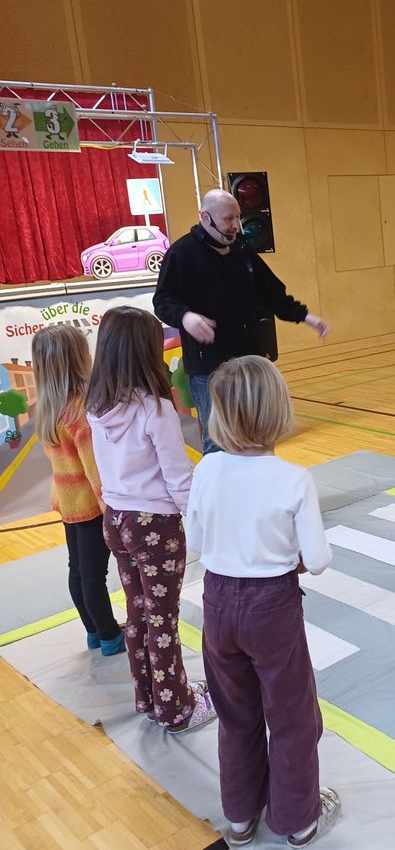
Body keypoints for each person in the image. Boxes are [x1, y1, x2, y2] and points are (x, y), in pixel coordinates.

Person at [185, 356, 339, 848]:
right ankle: (298, 819)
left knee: (235, 713)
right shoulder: (293, 478)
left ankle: (239, 816)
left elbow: (195, 542)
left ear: (219, 414)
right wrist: (288, 555)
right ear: (278, 410)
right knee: (292, 715)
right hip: (272, 607)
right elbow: (317, 560)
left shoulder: (207, 467)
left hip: (217, 601)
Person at [86, 306, 217, 734]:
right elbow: (178, 479)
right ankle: (177, 709)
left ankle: (150, 697)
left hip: (116, 519)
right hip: (154, 526)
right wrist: (203, 520)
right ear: (145, 351)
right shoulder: (155, 410)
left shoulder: (97, 405)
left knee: (140, 612)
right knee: (162, 619)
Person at [153, 188, 329, 454]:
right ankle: (219, 482)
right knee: (217, 440)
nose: (236, 225)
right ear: (205, 217)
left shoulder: (242, 250)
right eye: (228, 219)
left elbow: (272, 294)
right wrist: (185, 317)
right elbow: (163, 301)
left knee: (258, 433)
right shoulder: (182, 254)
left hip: (248, 364)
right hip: (209, 370)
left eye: (237, 217)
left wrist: (305, 316)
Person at [31, 325, 124, 656]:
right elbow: (94, 471)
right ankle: (110, 635)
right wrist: (111, 510)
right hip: (89, 505)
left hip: (67, 501)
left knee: (78, 569)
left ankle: (94, 631)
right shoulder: (80, 412)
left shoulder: (47, 408)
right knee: (93, 574)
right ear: (77, 360)